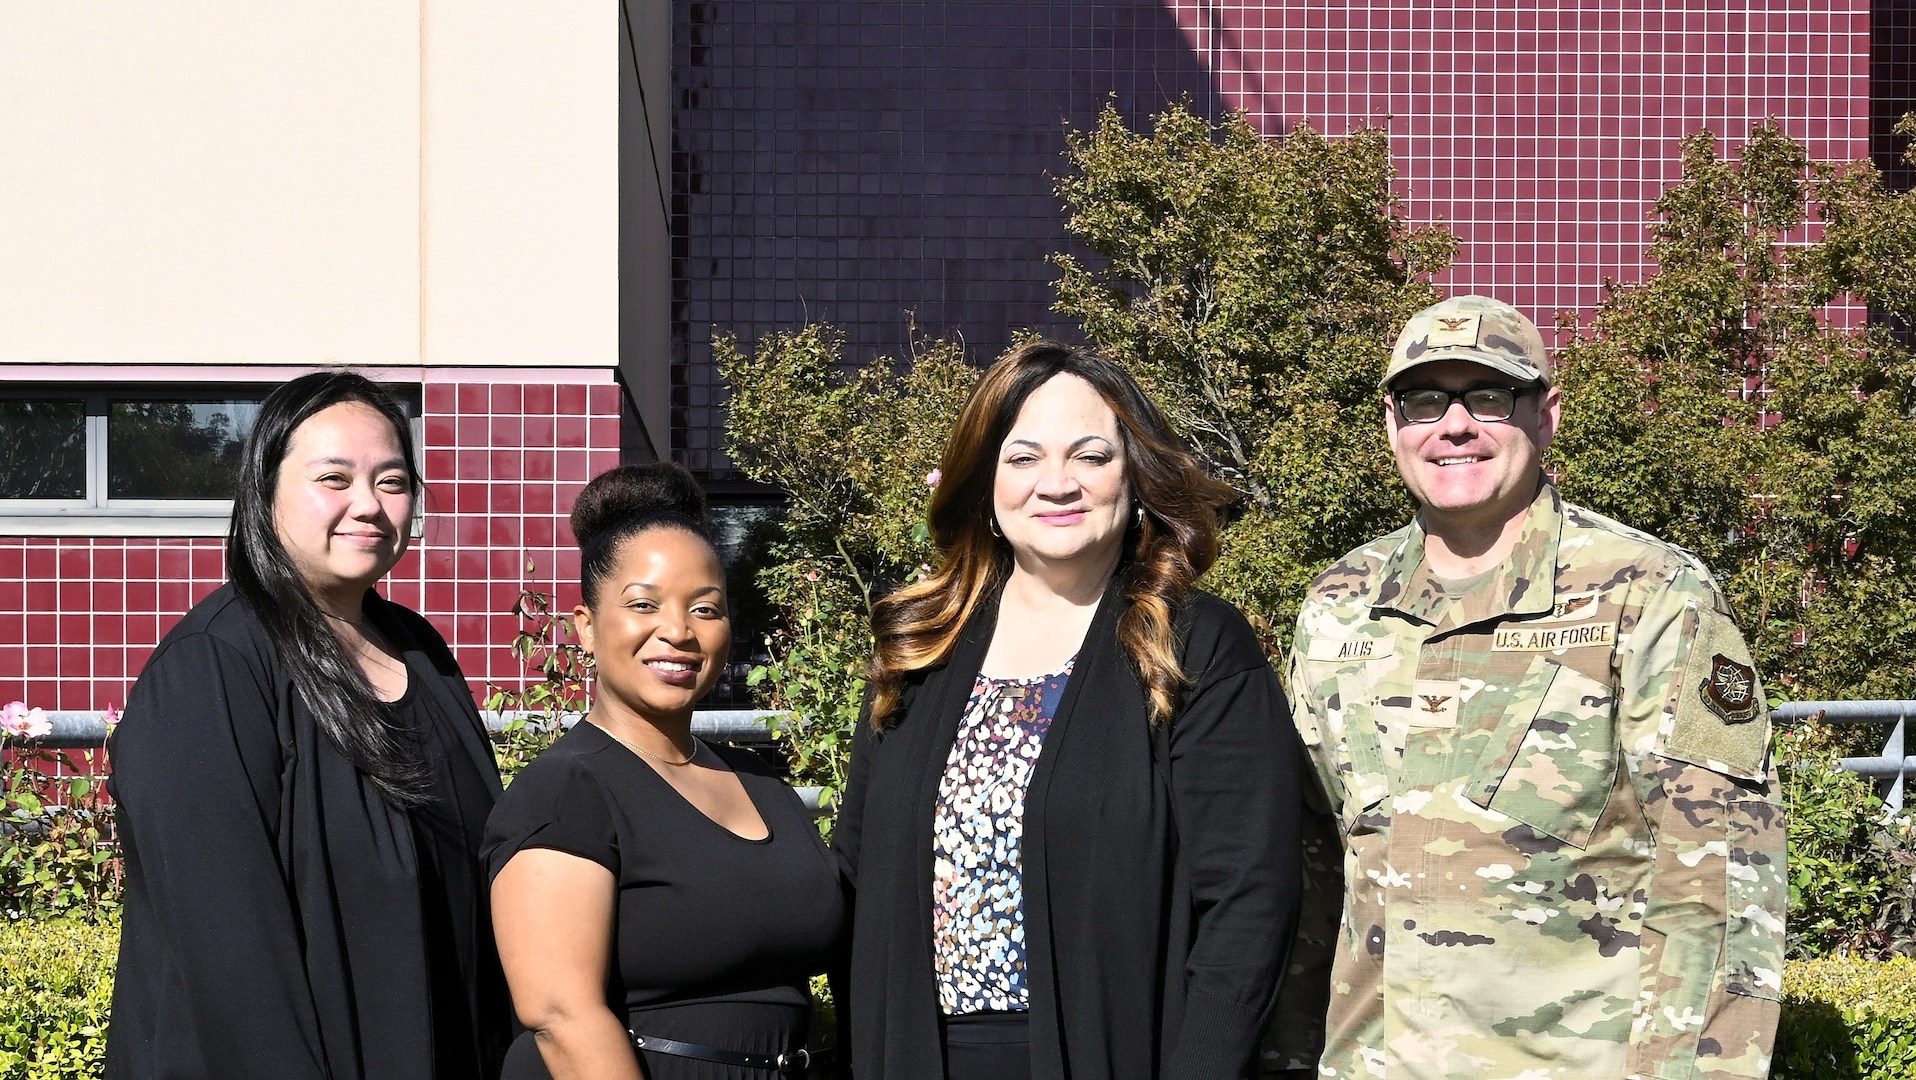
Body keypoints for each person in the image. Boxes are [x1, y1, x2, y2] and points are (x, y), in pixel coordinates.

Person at [1272, 295, 1788, 1079]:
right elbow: (1308, 865)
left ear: (1545, 415)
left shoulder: (1648, 593)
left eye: (1488, 397)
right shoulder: (1339, 604)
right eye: (1423, 401)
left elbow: (1716, 878)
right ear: (1391, 424)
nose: (1453, 426)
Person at [833, 340, 1303, 1080]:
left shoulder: (1193, 646)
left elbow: (1250, 903)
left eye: (1090, 456)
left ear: (1136, 477)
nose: (1057, 484)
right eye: (1023, 459)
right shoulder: (920, 649)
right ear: (983, 482)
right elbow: (854, 880)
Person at [107, 372, 509, 1079]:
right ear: (263, 494)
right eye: (334, 478)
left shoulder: (424, 654)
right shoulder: (213, 667)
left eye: (391, 481)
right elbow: (229, 954)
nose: (369, 506)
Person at [483, 462, 847, 1080]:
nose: (677, 632)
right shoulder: (569, 791)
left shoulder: (762, 784)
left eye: (705, 609)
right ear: (587, 628)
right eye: (643, 604)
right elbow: (560, 1014)